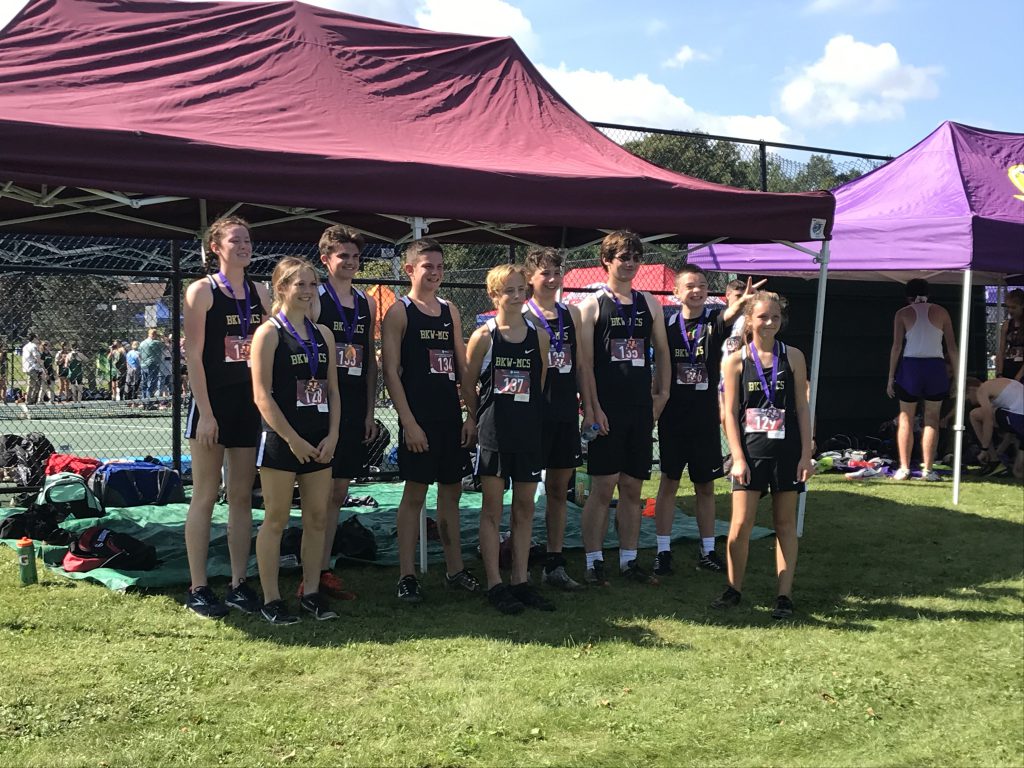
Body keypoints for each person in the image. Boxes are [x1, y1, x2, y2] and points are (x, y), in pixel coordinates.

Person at [182, 215, 270, 619]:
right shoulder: (202, 291)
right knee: (204, 495)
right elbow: (194, 356)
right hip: (212, 404)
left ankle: (238, 583)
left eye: (248, 240)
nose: (244, 246)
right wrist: (205, 413)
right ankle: (198, 586)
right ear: (216, 247)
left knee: (240, 496)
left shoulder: (261, 292)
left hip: (247, 407)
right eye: (236, 240)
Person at [381, 238, 479, 603]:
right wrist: (408, 423)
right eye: (427, 266)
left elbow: (462, 366)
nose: (435, 273)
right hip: (418, 419)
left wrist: (471, 415)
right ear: (410, 270)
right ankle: (406, 575)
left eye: (439, 266)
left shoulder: (449, 309)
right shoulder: (399, 312)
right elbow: (390, 372)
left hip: (449, 418)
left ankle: (455, 569)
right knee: (415, 495)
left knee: (451, 494)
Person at [652, 267, 763, 578]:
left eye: (702, 285)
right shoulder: (666, 323)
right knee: (669, 483)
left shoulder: (713, 321)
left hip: (704, 417)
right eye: (690, 285)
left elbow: (731, 314)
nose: (697, 290)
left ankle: (707, 549)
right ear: (676, 292)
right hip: (673, 417)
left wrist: (744, 302)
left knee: (705, 486)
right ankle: (663, 550)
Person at [576, 230, 670, 586]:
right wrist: (592, 408)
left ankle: (629, 561)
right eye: (622, 258)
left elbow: (662, 351)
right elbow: (584, 364)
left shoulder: (650, 303)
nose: (629, 264)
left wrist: (661, 395)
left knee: (633, 487)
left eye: (634, 258)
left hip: (639, 409)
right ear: (606, 261)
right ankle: (593, 561)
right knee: (603, 487)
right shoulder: (591, 305)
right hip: (606, 410)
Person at [714, 291, 813, 619]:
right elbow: (728, 413)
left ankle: (784, 595)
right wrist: (737, 458)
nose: (769, 323)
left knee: (785, 524)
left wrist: (805, 453)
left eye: (775, 317)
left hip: (786, 453)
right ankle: (733, 589)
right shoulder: (736, 359)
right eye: (762, 317)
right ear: (749, 320)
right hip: (751, 454)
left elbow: (801, 406)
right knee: (741, 524)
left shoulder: (794, 356)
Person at [252, 256, 341, 624]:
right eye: (298, 284)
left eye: (311, 284)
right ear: (281, 288)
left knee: (317, 518)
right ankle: (272, 599)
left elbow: (333, 391)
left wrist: (334, 434)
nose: (306, 291)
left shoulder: (324, 335)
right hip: (282, 441)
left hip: (320, 439)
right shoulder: (269, 332)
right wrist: (292, 440)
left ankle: (312, 593)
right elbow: (261, 395)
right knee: (276, 519)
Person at [464, 264, 552, 614]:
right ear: (494, 295)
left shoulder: (538, 336)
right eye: (508, 291)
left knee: (526, 507)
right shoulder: (484, 336)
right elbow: (469, 384)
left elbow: (540, 381)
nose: (516, 297)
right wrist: (475, 418)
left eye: (520, 290)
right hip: (494, 433)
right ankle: (494, 584)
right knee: (492, 509)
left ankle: (520, 579)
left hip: (528, 433)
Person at [307, 225, 379, 602]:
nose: (349, 263)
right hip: (320, 403)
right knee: (317, 494)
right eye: (342, 257)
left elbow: (368, 362)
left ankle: (323, 567)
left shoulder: (366, 302)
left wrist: (368, 411)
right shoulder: (314, 297)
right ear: (326, 260)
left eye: (354, 257)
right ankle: (309, 572)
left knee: (339, 492)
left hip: (352, 405)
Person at [523, 247, 585, 590]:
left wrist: (590, 406)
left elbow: (582, 366)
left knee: (560, 489)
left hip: (564, 414)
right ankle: (520, 559)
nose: (551, 278)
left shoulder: (570, 314)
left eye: (556, 272)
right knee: (526, 492)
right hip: (532, 415)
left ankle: (554, 561)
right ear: (531, 277)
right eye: (544, 272)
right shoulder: (523, 315)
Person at [887, 279, 958, 481]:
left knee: (905, 418)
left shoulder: (902, 313)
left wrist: (891, 376)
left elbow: (897, 347)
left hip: (911, 368)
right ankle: (928, 469)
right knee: (932, 419)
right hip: (934, 367)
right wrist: (957, 377)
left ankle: (904, 467)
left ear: (907, 297)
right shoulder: (941, 312)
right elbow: (952, 348)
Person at [968, 377, 1024, 477]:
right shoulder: (1001, 386)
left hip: (1019, 419)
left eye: (967, 397)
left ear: (971, 389)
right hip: (1019, 423)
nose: (970, 401)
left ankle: (993, 461)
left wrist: (984, 450)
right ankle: (996, 461)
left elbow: (988, 422)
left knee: (975, 414)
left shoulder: (982, 390)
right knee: (1017, 472)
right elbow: (1010, 433)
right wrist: (1000, 451)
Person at [996, 289, 1024, 382]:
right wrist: (999, 374)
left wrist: (1018, 376)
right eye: (1008, 307)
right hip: (1009, 366)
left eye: (1014, 307)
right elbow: (1001, 351)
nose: (1010, 311)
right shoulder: (1007, 325)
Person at [138, 329, 163, 405]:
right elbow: (166, 345)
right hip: (153, 364)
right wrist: (162, 337)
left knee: (144, 383)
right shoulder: (156, 343)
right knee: (152, 383)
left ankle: (144, 401)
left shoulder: (142, 343)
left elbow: (139, 354)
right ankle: (149, 402)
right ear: (155, 335)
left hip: (143, 364)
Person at [21, 333, 43, 405]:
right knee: (33, 384)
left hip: (28, 367)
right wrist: (42, 367)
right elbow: (36, 357)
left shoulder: (26, 346)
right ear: (34, 338)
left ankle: (32, 399)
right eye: (37, 337)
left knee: (34, 384)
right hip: (32, 367)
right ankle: (29, 400)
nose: (38, 338)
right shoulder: (33, 346)